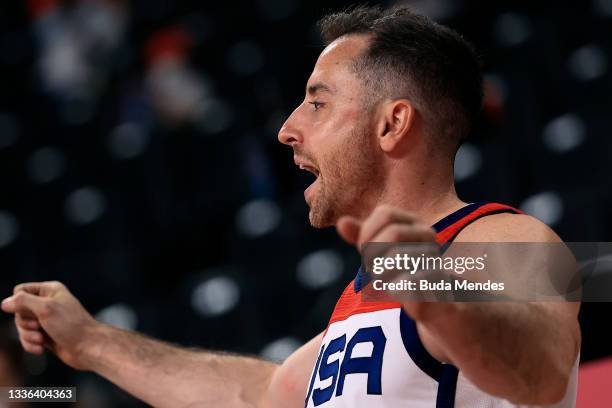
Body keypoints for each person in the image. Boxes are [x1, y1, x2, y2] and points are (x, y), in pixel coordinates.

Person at [1, 5, 580, 408]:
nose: (286, 130)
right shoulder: (366, 301)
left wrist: (438, 296)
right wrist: (91, 343)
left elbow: (546, 366)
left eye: (317, 103)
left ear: (393, 123)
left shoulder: (501, 242)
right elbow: (251, 392)